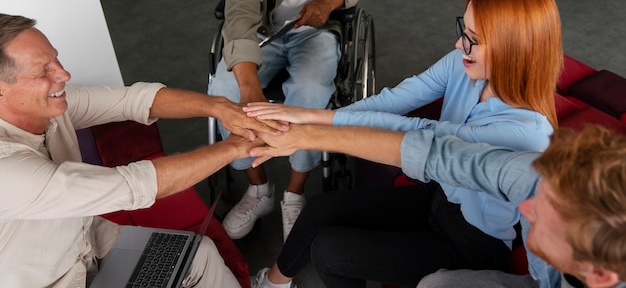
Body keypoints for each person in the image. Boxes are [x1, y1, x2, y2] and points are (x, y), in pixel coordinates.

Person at [243, 0, 563, 287]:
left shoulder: (528, 132)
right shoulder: (463, 62)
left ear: (512, 49)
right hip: (437, 198)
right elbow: (394, 101)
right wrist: (313, 117)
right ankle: (274, 284)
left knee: (329, 251)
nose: (458, 43)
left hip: (473, 243)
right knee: (319, 209)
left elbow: (421, 133)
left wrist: (310, 124)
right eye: (463, 29)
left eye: (473, 38)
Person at [0, 13, 285, 287]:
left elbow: (133, 100)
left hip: (88, 243)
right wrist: (235, 146)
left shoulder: (49, 104)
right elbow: (133, 185)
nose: (64, 74)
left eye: (56, 59)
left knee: (200, 255)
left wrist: (221, 107)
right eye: (43, 71)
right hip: (50, 281)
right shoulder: (6, 170)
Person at [250, 124, 626, 288]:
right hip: (535, 280)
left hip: (472, 244)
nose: (525, 211)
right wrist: (309, 134)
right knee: (436, 284)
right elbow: (433, 154)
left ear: (599, 274)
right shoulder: (531, 179)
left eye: (545, 217)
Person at [207, 0, 375, 242]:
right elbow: (238, 21)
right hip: (260, 33)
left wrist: (331, 2)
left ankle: (295, 192)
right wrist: (250, 89)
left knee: (312, 91)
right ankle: (259, 191)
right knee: (225, 89)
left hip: (317, 32)